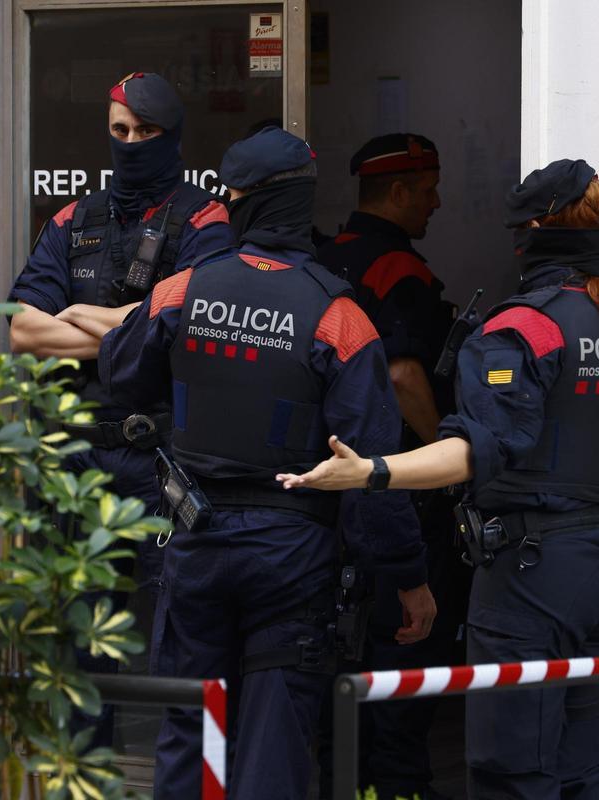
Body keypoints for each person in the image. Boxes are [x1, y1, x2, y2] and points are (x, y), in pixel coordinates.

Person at [280, 159, 599, 799]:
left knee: (511, 771)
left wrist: (371, 471)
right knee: (584, 768)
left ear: (533, 233)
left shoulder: (523, 327)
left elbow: (474, 451)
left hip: (533, 571)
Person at [99, 126, 436, 799]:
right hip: (293, 555)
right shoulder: (338, 313)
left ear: (244, 203)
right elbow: (372, 468)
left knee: (192, 734)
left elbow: (119, 372)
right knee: (273, 746)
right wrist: (408, 577)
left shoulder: (180, 290)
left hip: (197, 545)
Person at [7, 71, 233, 738]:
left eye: (145, 133)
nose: (130, 144)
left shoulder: (204, 219)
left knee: (178, 638)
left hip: (165, 459)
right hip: (78, 457)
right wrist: (134, 325)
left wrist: (84, 320)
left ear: (171, 135)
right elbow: (22, 330)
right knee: (76, 645)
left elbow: (193, 327)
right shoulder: (74, 218)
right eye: (119, 132)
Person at [315, 133, 465, 800]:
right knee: (406, 649)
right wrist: (453, 464)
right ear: (400, 192)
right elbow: (405, 373)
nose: (436, 203)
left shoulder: (324, 259)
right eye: (428, 190)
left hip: (330, 487)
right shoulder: (396, 269)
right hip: (398, 487)